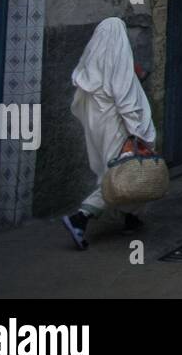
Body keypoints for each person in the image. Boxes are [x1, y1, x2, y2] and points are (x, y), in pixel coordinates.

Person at [60, 17, 156, 251]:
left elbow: (81, 105)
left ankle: (130, 216)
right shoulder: (118, 67)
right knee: (122, 172)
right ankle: (81, 217)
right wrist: (138, 131)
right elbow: (125, 99)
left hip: (99, 127)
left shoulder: (89, 72)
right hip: (118, 127)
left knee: (120, 169)